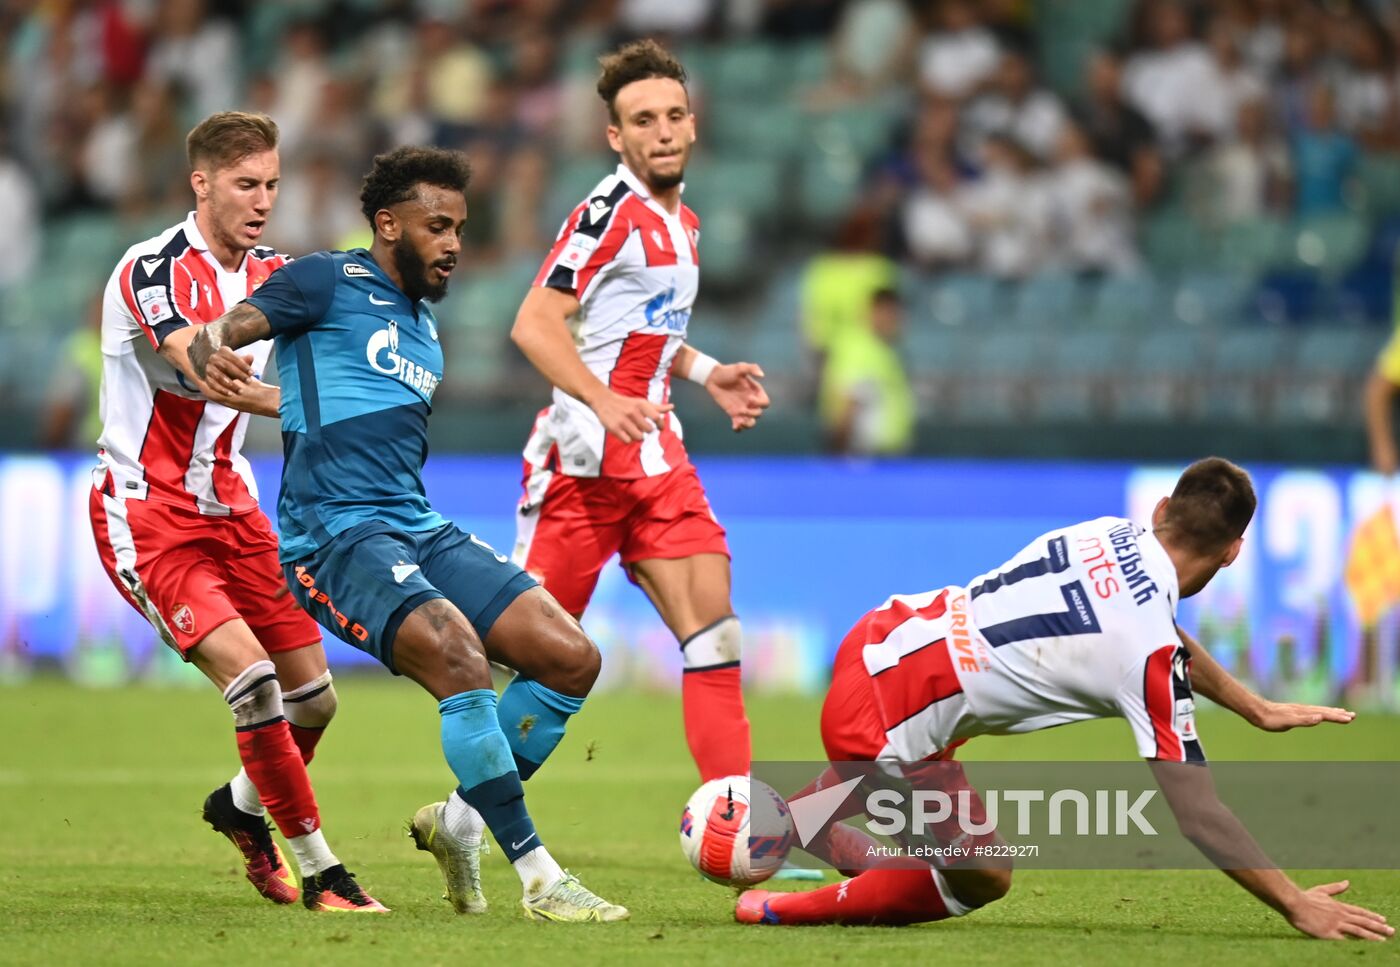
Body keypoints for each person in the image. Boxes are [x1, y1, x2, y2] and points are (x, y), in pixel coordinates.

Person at [188, 145, 627, 924]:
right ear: (388, 224)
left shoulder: (423, 325)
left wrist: (257, 387)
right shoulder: (328, 278)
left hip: (413, 523)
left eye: (460, 226)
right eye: (438, 225)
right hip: (334, 535)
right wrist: (213, 341)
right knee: (460, 657)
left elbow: (302, 398)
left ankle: (460, 823)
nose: (455, 242)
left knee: (570, 657)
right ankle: (540, 878)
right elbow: (241, 322)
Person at [737, 458, 1394, 942]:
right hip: (880, 726)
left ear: (1163, 507)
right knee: (982, 874)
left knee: (928, 757)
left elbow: (1152, 615)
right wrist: (1293, 902)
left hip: (879, 637)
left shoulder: (1108, 531)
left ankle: (796, 818)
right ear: (1233, 553)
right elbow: (1200, 815)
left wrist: (1249, 703)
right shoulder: (1149, 659)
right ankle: (780, 907)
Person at [87, 112, 380, 912]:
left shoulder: (278, 274)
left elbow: (349, 364)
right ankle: (324, 870)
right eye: (246, 184)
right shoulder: (151, 270)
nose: (262, 200)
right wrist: (303, 403)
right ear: (202, 183)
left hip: (235, 508)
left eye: (273, 184)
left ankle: (242, 810)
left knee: (315, 699)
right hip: (148, 515)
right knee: (253, 682)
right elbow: (203, 363)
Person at [509, 40, 770, 782]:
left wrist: (709, 370)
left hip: (655, 459)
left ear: (693, 126)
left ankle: (742, 825)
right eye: (643, 119)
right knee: (546, 662)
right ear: (615, 136)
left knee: (715, 635)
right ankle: (469, 815)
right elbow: (535, 323)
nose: (662, 130)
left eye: (674, 115)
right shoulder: (607, 214)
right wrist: (602, 399)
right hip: (581, 466)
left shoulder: (682, 224)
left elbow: (646, 336)